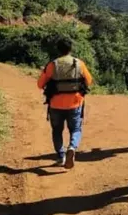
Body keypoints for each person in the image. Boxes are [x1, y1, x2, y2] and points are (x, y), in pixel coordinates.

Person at [37, 38, 93, 169]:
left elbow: (40, 84)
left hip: (55, 104)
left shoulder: (52, 65)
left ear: (58, 49)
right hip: (75, 103)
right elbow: (89, 81)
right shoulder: (79, 63)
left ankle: (60, 156)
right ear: (70, 49)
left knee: (57, 130)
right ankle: (72, 147)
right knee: (76, 129)